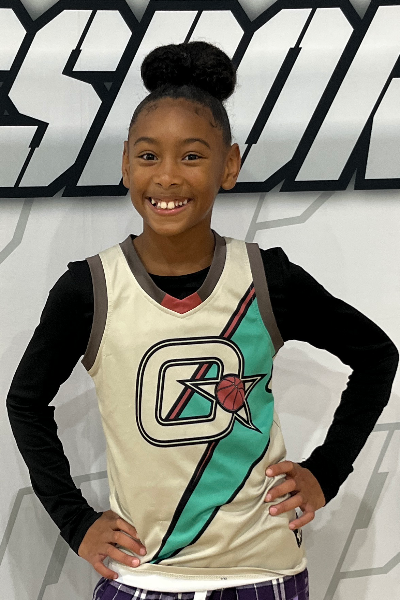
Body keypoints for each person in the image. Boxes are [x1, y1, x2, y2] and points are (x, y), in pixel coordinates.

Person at [7, 41, 398, 600]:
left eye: (191, 156)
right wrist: (75, 521)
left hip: (265, 572)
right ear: (125, 163)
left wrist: (326, 472)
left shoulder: (266, 278)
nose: (167, 177)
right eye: (149, 156)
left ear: (229, 165)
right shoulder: (90, 289)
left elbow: (378, 356)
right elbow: (25, 402)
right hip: (142, 575)